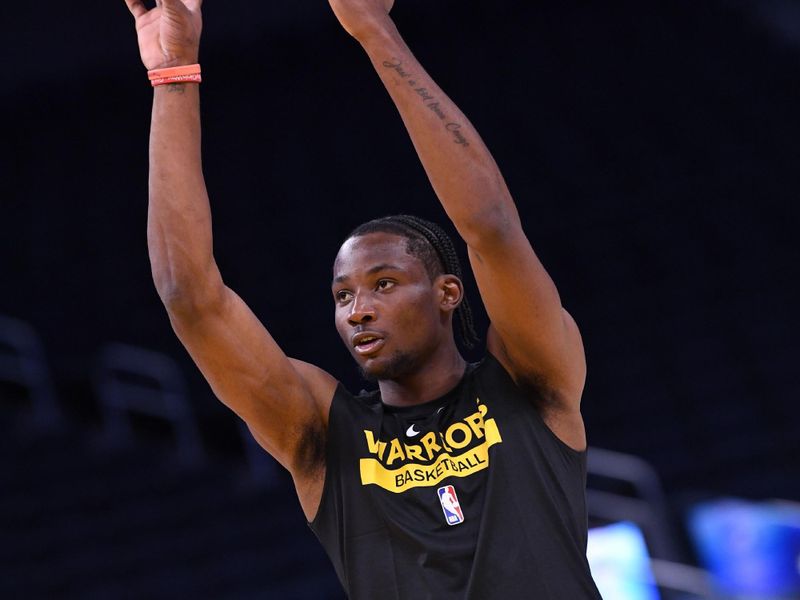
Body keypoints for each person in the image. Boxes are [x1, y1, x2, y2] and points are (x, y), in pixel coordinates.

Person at [123, 0, 602, 597]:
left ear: (448, 292)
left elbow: (491, 225)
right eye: (342, 295)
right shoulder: (326, 433)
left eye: (382, 283)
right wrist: (172, 75)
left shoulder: (530, 377)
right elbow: (189, 297)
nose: (358, 310)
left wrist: (374, 29)